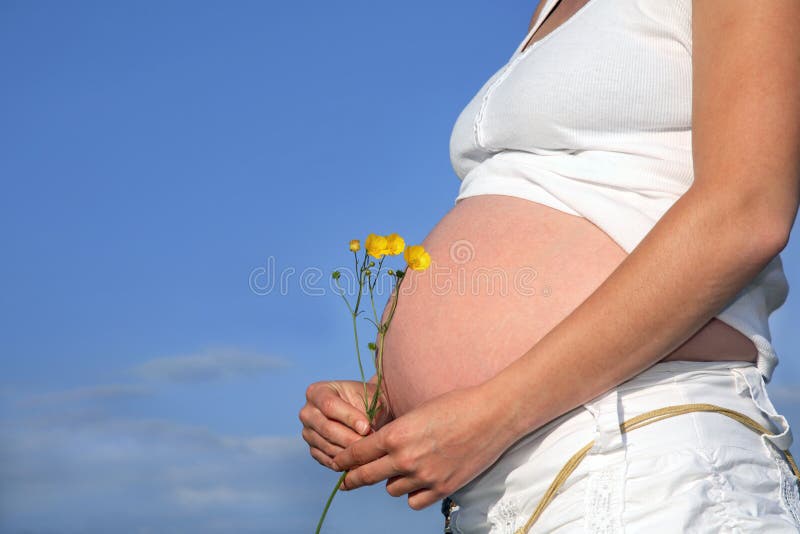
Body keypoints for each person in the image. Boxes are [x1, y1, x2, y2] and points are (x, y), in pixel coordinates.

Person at [299, 0, 800, 531]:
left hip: (637, 451)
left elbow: (745, 212)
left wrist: (495, 411)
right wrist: (388, 398)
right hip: (504, 485)